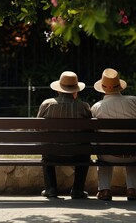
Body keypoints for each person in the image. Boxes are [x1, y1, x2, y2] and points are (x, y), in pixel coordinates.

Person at [91, 68, 136, 201]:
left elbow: (91, 132)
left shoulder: (97, 107)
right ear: (119, 86)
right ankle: (132, 189)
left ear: (102, 87)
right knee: (134, 148)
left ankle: (104, 190)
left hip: (109, 156)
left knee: (102, 150)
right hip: (133, 154)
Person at [37, 71, 92, 199]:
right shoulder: (83, 107)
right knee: (85, 151)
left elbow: (37, 127)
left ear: (58, 90)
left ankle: (51, 189)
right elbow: (90, 131)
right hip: (77, 155)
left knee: (46, 151)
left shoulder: (47, 104)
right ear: (75, 91)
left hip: (51, 154)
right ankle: (78, 190)